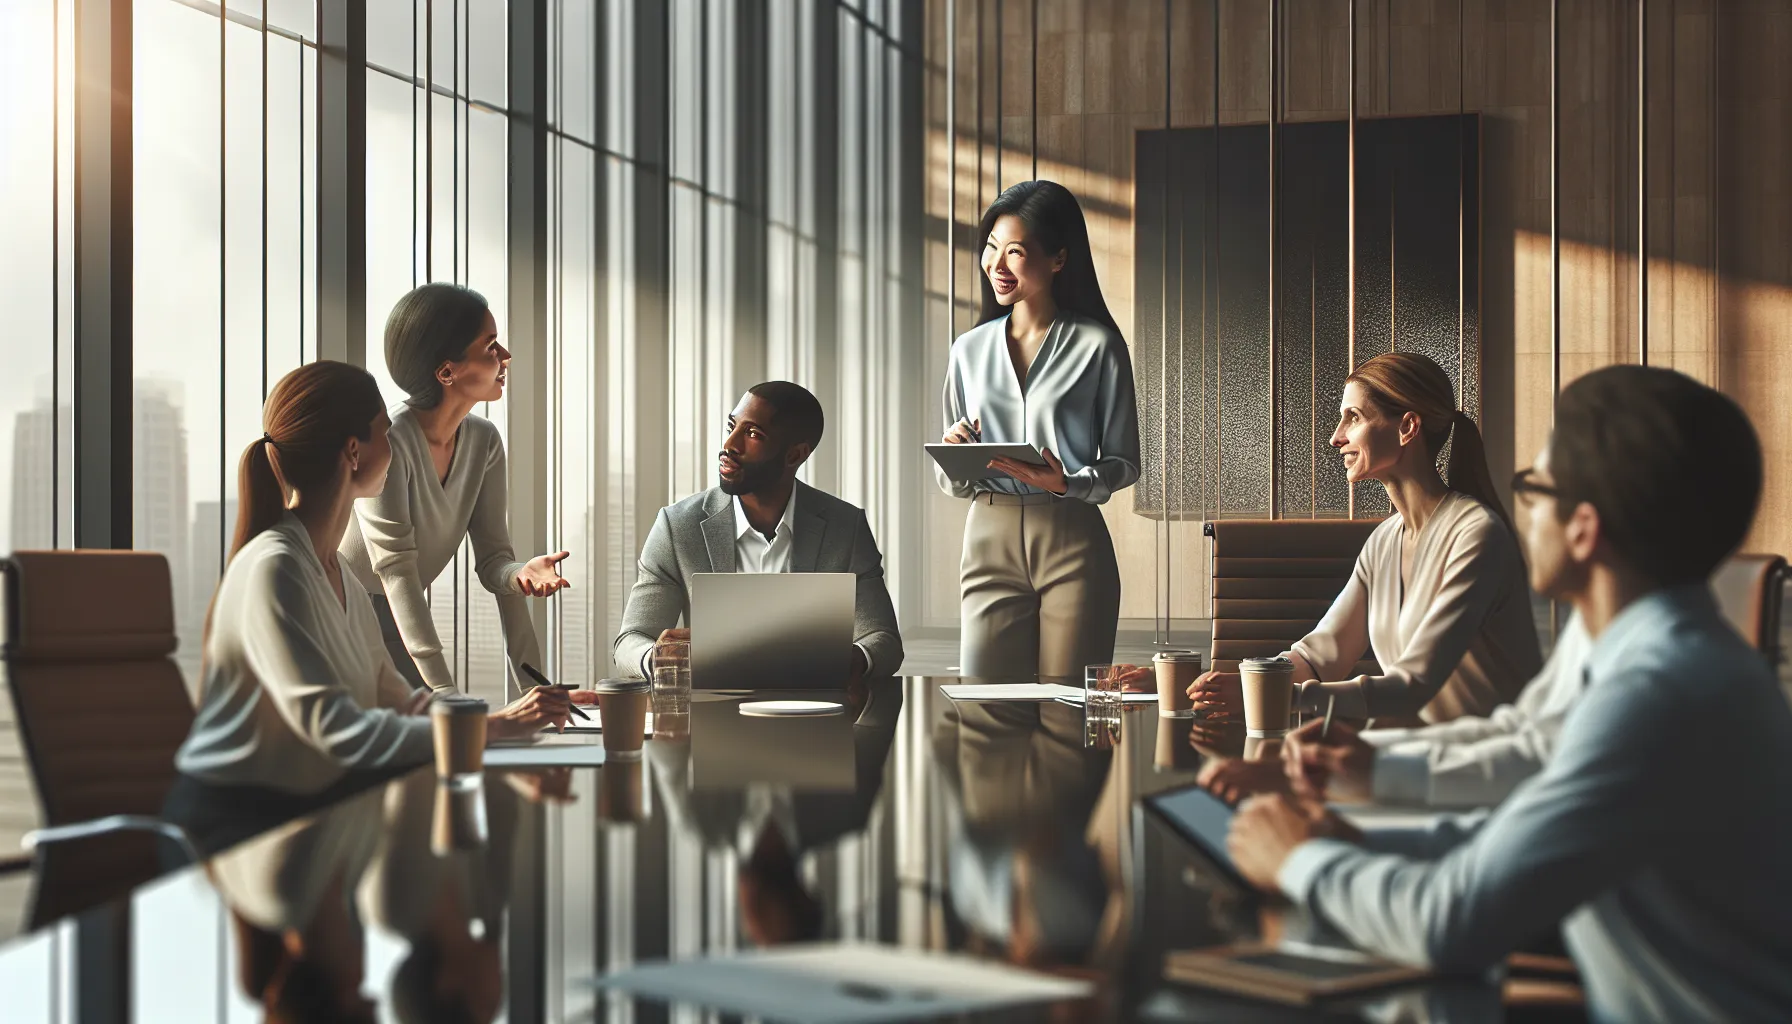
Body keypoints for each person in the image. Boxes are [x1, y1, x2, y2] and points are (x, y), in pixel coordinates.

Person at [1228, 365, 1792, 1021]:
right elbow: (1529, 753)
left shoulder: (1656, 694)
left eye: (1535, 486)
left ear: (1583, 529)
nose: (1519, 507)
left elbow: (1453, 921)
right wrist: (1359, 817)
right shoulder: (1625, 639)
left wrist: (1303, 859)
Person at [177, 362, 569, 794]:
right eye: (385, 430)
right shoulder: (276, 570)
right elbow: (342, 733)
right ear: (353, 451)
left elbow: (400, 704)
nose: (397, 442)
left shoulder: (339, 572)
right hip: (244, 829)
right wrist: (493, 727)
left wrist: (513, 717)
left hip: (313, 817)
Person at [1192, 351, 1541, 725]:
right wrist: (1243, 683)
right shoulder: (1385, 541)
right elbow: (1320, 656)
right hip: (1418, 760)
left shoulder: (1475, 535)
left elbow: (1412, 685)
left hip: (1488, 765)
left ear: (1407, 427)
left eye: (1353, 418)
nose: (1335, 437)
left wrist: (1275, 697)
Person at [936, 180, 1140, 683]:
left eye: (1015, 252)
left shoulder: (1099, 346)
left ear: (1058, 259)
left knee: (1069, 708)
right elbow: (954, 479)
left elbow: (1125, 462)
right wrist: (955, 453)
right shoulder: (968, 350)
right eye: (990, 250)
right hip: (988, 536)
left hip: (1071, 534)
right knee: (986, 711)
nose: (996, 266)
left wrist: (1068, 483)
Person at [341, 283, 571, 695]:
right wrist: (446, 699)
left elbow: (493, 560)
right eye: (490, 347)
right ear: (447, 372)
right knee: (433, 737)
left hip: (403, 614)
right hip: (348, 616)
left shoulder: (484, 442)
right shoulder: (389, 444)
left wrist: (537, 685)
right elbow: (397, 575)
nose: (505, 358)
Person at [612, 381, 903, 681]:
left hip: (812, 717)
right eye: (732, 427)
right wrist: (660, 659)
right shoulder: (677, 527)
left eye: (753, 434)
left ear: (794, 455)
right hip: (713, 717)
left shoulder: (845, 527)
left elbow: (883, 640)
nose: (730, 445)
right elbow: (631, 641)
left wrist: (846, 660)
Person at [1283, 614, 1592, 808]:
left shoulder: (1477, 535)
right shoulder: (1585, 625)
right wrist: (1363, 753)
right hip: (1456, 765)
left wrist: (1380, 768)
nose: (1522, 531)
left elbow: (1411, 685)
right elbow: (1517, 726)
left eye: (1532, 507)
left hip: (1481, 785)